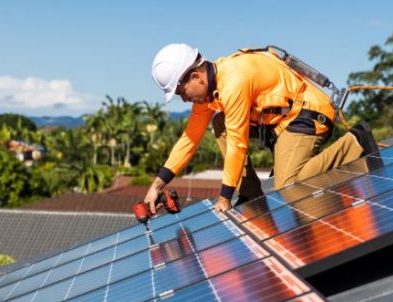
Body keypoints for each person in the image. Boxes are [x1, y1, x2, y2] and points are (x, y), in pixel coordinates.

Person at [144, 43, 379, 214]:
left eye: (181, 92)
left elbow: (238, 142)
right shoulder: (210, 91)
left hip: (307, 115)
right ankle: (250, 195)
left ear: (196, 77)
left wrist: (225, 197)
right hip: (281, 124)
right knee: (219, 122)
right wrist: (157, 185)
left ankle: (356, 141)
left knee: (289, 185)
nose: (184, 99)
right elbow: (190, 138)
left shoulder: (234, 81)